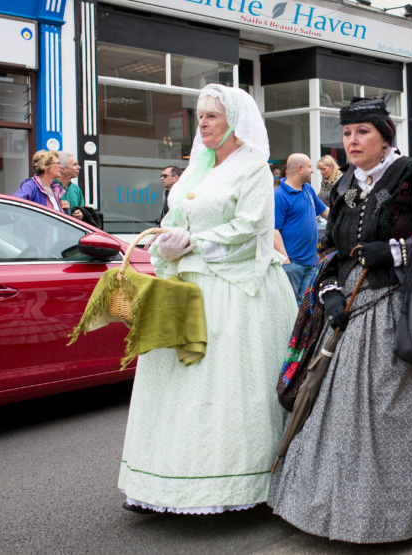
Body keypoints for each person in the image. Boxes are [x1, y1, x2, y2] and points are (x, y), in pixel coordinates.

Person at [268, 96, 412, 543]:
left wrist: (400, 248)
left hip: (403, 303)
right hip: (352, 308)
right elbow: (331, 248)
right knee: (339, 410)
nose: (352, 141)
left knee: (398, 408)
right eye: (347, 134)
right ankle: (336, 507)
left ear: (385, 137)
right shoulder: (342, 186)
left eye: (362, 132)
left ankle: (407, 511)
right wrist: (328, 292)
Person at [119, 84, 297, 514]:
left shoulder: (253, 168)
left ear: (234, 121)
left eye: (212, 116)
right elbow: (173, 217)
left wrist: (195, 242)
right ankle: (164, 482)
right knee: (174, 389)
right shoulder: (195, 168)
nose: (203, 123)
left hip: (233, 290)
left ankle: (238, 484)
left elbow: (251, 226)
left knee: (224, 389)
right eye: (200, 115)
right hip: (187, 286)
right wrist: (167, 241)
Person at [275, 153, 329, 304]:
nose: (312, 170)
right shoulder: (279, 196)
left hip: (311, 262)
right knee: (290, 306)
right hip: (292, 264)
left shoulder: (308, 189)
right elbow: (273, 231)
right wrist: (286, 262)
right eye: (310, 166)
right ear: (300, 169)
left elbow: (325, 211)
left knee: (308, 306)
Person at [54, 151, 85, 219]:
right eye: (74, 165)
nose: (79, 167)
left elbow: (83, 210)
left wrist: (81, 215)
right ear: (63, 169)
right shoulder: (49, 187)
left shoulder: (76, 189)